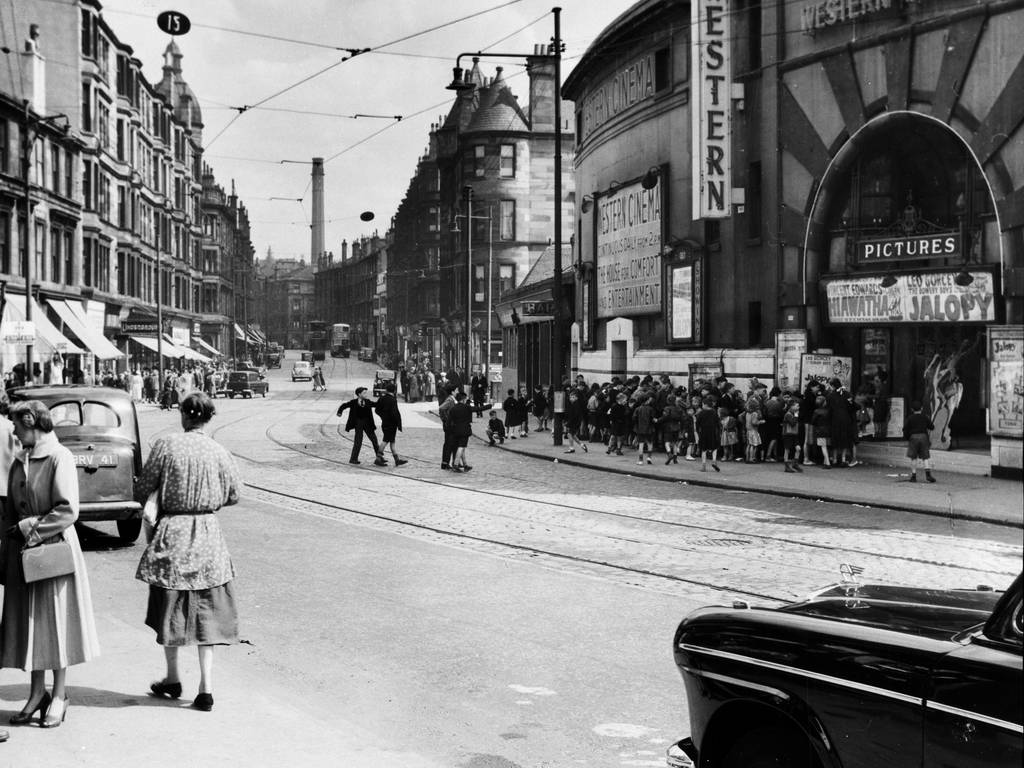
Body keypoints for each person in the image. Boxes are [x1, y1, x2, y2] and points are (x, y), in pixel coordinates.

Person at [134, 392, 241, 713]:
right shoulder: (219, 451)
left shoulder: (166, 446)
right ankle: (206, 687)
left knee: (170, 605)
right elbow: (235, 493)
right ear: (208, 419)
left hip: (173, 533)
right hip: (207, 535)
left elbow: (142, 488)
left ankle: (172, 677)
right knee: (207, 607)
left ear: (184, 416)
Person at [1, 400, 99, 728]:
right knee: (31, 625)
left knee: (56, 624)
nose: (13, 431)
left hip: (53, 548)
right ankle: (35, 693)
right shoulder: (20, 461)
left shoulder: (60, 457)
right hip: (24, 553)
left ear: (32, 423)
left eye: (17, 425)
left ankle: (59, 694)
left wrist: (29, 528)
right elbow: (10, 512)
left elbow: (68, 509)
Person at [336, 387, 386, 466]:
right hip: (358, 423)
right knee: (358, 441)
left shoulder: (368, 401)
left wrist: (383, 399)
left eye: (366, 393)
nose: (366, 394)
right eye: (364, 393)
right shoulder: (353, 402)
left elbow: (376, 404)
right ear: (359, 394)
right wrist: (339, 412)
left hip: (368, 424)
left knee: (374, 440)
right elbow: (344, 405)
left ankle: (379, 458)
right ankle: (353, 459)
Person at [374, 383, 407, 467]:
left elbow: (377, 410)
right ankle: (378, 458)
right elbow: (394, 413)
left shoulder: (382, 398)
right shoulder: (393, 400)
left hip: (385, 423)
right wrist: (398, 423)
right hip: (391, 424)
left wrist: (383, 417)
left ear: (386, 390)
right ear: (394, 390)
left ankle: (397, 460)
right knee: (385, 441)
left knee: (392, 441)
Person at [903, 401, 936, 483]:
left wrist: (908, 437)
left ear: (912, 409)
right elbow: (932, 427)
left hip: (913, 437)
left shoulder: (910, 418)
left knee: (913, 457)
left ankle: (913, 476)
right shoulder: (924, 417)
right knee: (925, 457)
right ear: (921, 408)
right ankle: (928, 475)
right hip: (923, 437)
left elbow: (904, 429)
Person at [447, 392, 474, 472]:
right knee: (461, 447)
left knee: (461, 448)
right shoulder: (466, 407)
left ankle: (465, 465)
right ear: (463, 399)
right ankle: (455, 464)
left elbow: (448, 421)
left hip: (455, 431)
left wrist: (450, 430)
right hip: (464, 431)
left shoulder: (453, 408)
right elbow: (478, 409)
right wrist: (490, 406)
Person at [694, 396, 721, 472]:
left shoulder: (701, 413)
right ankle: (714, 461)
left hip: (703, 432)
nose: (702, 406)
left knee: (703, 449)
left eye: (702, 404)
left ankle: (703, 466)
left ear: (705, 405)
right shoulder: (714, 412)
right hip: (712, 432)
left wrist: (697, 430)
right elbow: (717, 423)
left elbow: (697, 423)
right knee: (714, 448)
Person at [438, 389, 457, 470]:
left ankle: (446, 463)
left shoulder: (452, 399)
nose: (457, 392)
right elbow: (441, 408)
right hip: (449, 426)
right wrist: (446, 420)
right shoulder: (450, 400)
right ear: (452, 392)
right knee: (449, 444)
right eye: (456, 390)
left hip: (449, 425)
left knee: (449, 444)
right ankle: (445, 463)